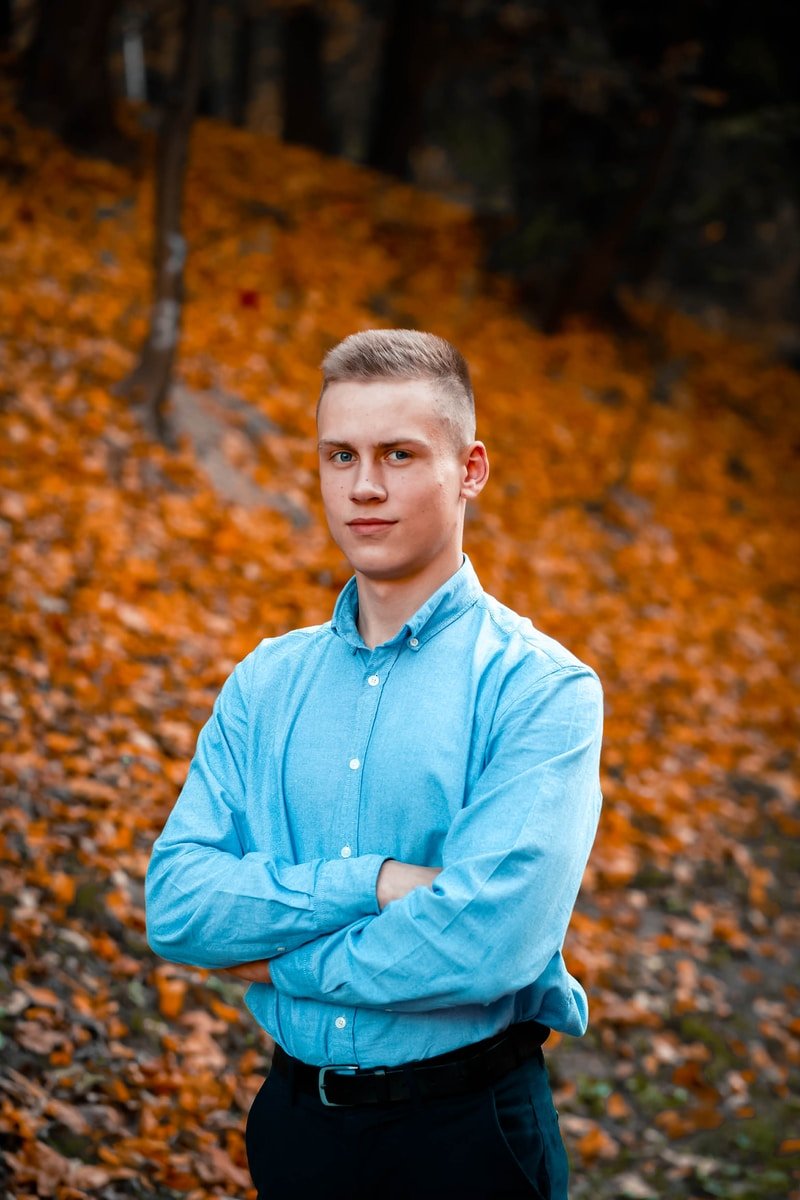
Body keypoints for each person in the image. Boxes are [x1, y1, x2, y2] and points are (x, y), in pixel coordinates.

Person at [145, 328, 603, 1200]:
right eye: (339, 455)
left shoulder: (542, 690)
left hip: (467, 1140)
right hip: (294, 1128)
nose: (362, 487)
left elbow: (487, 947)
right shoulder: (266, 682)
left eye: (398, 454)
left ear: (470, 469)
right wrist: (379, 881)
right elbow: (177, 903)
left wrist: (272, 957)